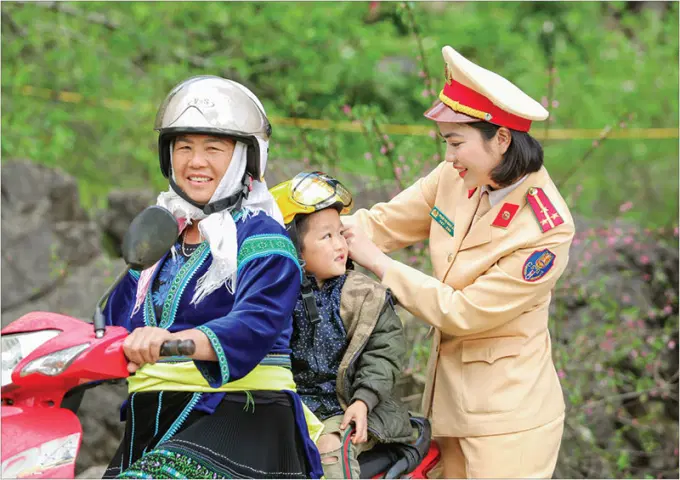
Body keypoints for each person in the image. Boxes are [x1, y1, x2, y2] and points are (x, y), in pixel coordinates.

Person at [341, 46, 575, 478]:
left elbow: (463, 312)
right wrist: (306, 223)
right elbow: (380, 224)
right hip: (447, 406)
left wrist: (380, 265)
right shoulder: (455, 176)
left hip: (508, 426)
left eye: (456, 143)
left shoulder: (545, 229)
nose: (449, 156)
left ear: (501, 139)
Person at [102, 75, 323, 479]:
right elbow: (112, 322)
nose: (195, 162)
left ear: (244, 157)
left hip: (241, 419)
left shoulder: (263, 237)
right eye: (184, 146)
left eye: (213, 148)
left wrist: (168, 342)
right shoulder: (161, 236)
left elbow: (254, 324)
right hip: (153, 423)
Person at [270, 172, 414, 479]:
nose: (340, 244)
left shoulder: (365, 296)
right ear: (292, 246)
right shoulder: (272, 296)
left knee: (330, 450)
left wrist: (364, 400)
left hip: (344, 407)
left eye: (340, 233)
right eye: (326, 237)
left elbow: (383, 354)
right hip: (288, 407)